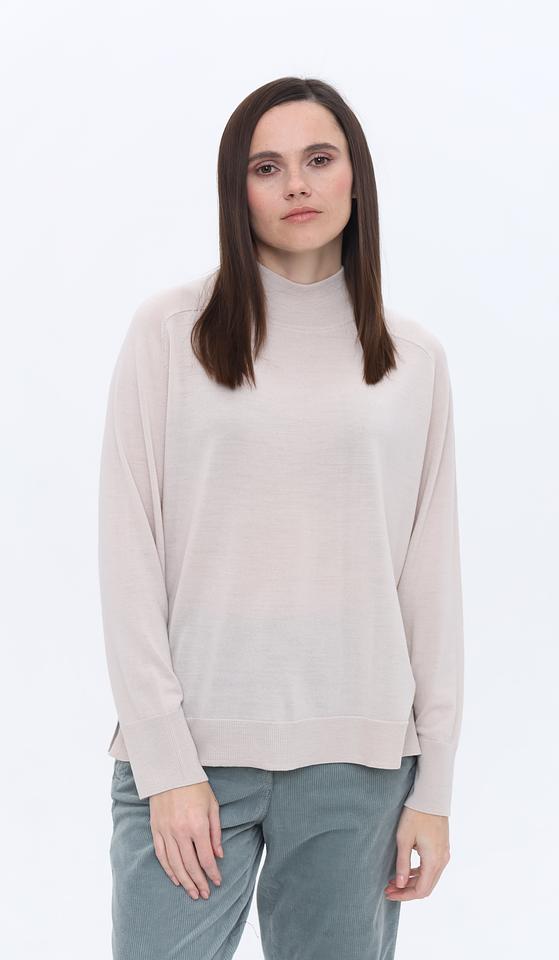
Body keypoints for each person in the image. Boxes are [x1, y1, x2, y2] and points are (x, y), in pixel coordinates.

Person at [99, 75, 465, 960]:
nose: (296, 184)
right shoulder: (171, 333)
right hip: (194, 753)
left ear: (355, 177)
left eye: (319, 159)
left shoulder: (412, 358)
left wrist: (435, 788)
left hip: (361, 762)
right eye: (267, 167)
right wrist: (166, 763)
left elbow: (431, 581)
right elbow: (127, 551)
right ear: (239, 190)